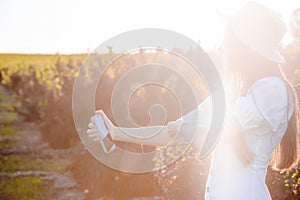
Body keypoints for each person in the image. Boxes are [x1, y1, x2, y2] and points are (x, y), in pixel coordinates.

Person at [87, 2, 300, 199]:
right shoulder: (229, 93)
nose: (221, 47)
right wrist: (116, 132)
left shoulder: (273, 90)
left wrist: (181, 128)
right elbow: (171, 133)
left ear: (244, 48)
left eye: (227, 41)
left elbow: (217, 130)